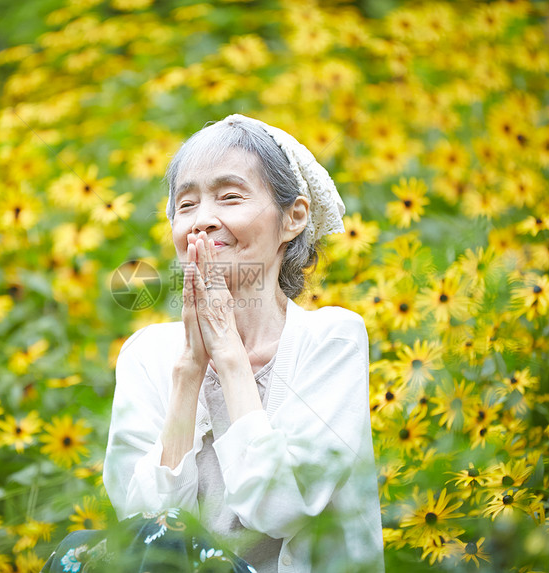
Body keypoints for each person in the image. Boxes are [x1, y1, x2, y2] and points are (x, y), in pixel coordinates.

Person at [46, 115, 384, 572]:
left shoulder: (333, 339)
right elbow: (143, 529)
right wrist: (188, 373)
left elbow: (282, 504)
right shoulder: (147, 355)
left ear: (293, 217)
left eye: (229, 197)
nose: (202, 222)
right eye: (185, 206)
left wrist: (228, 355)